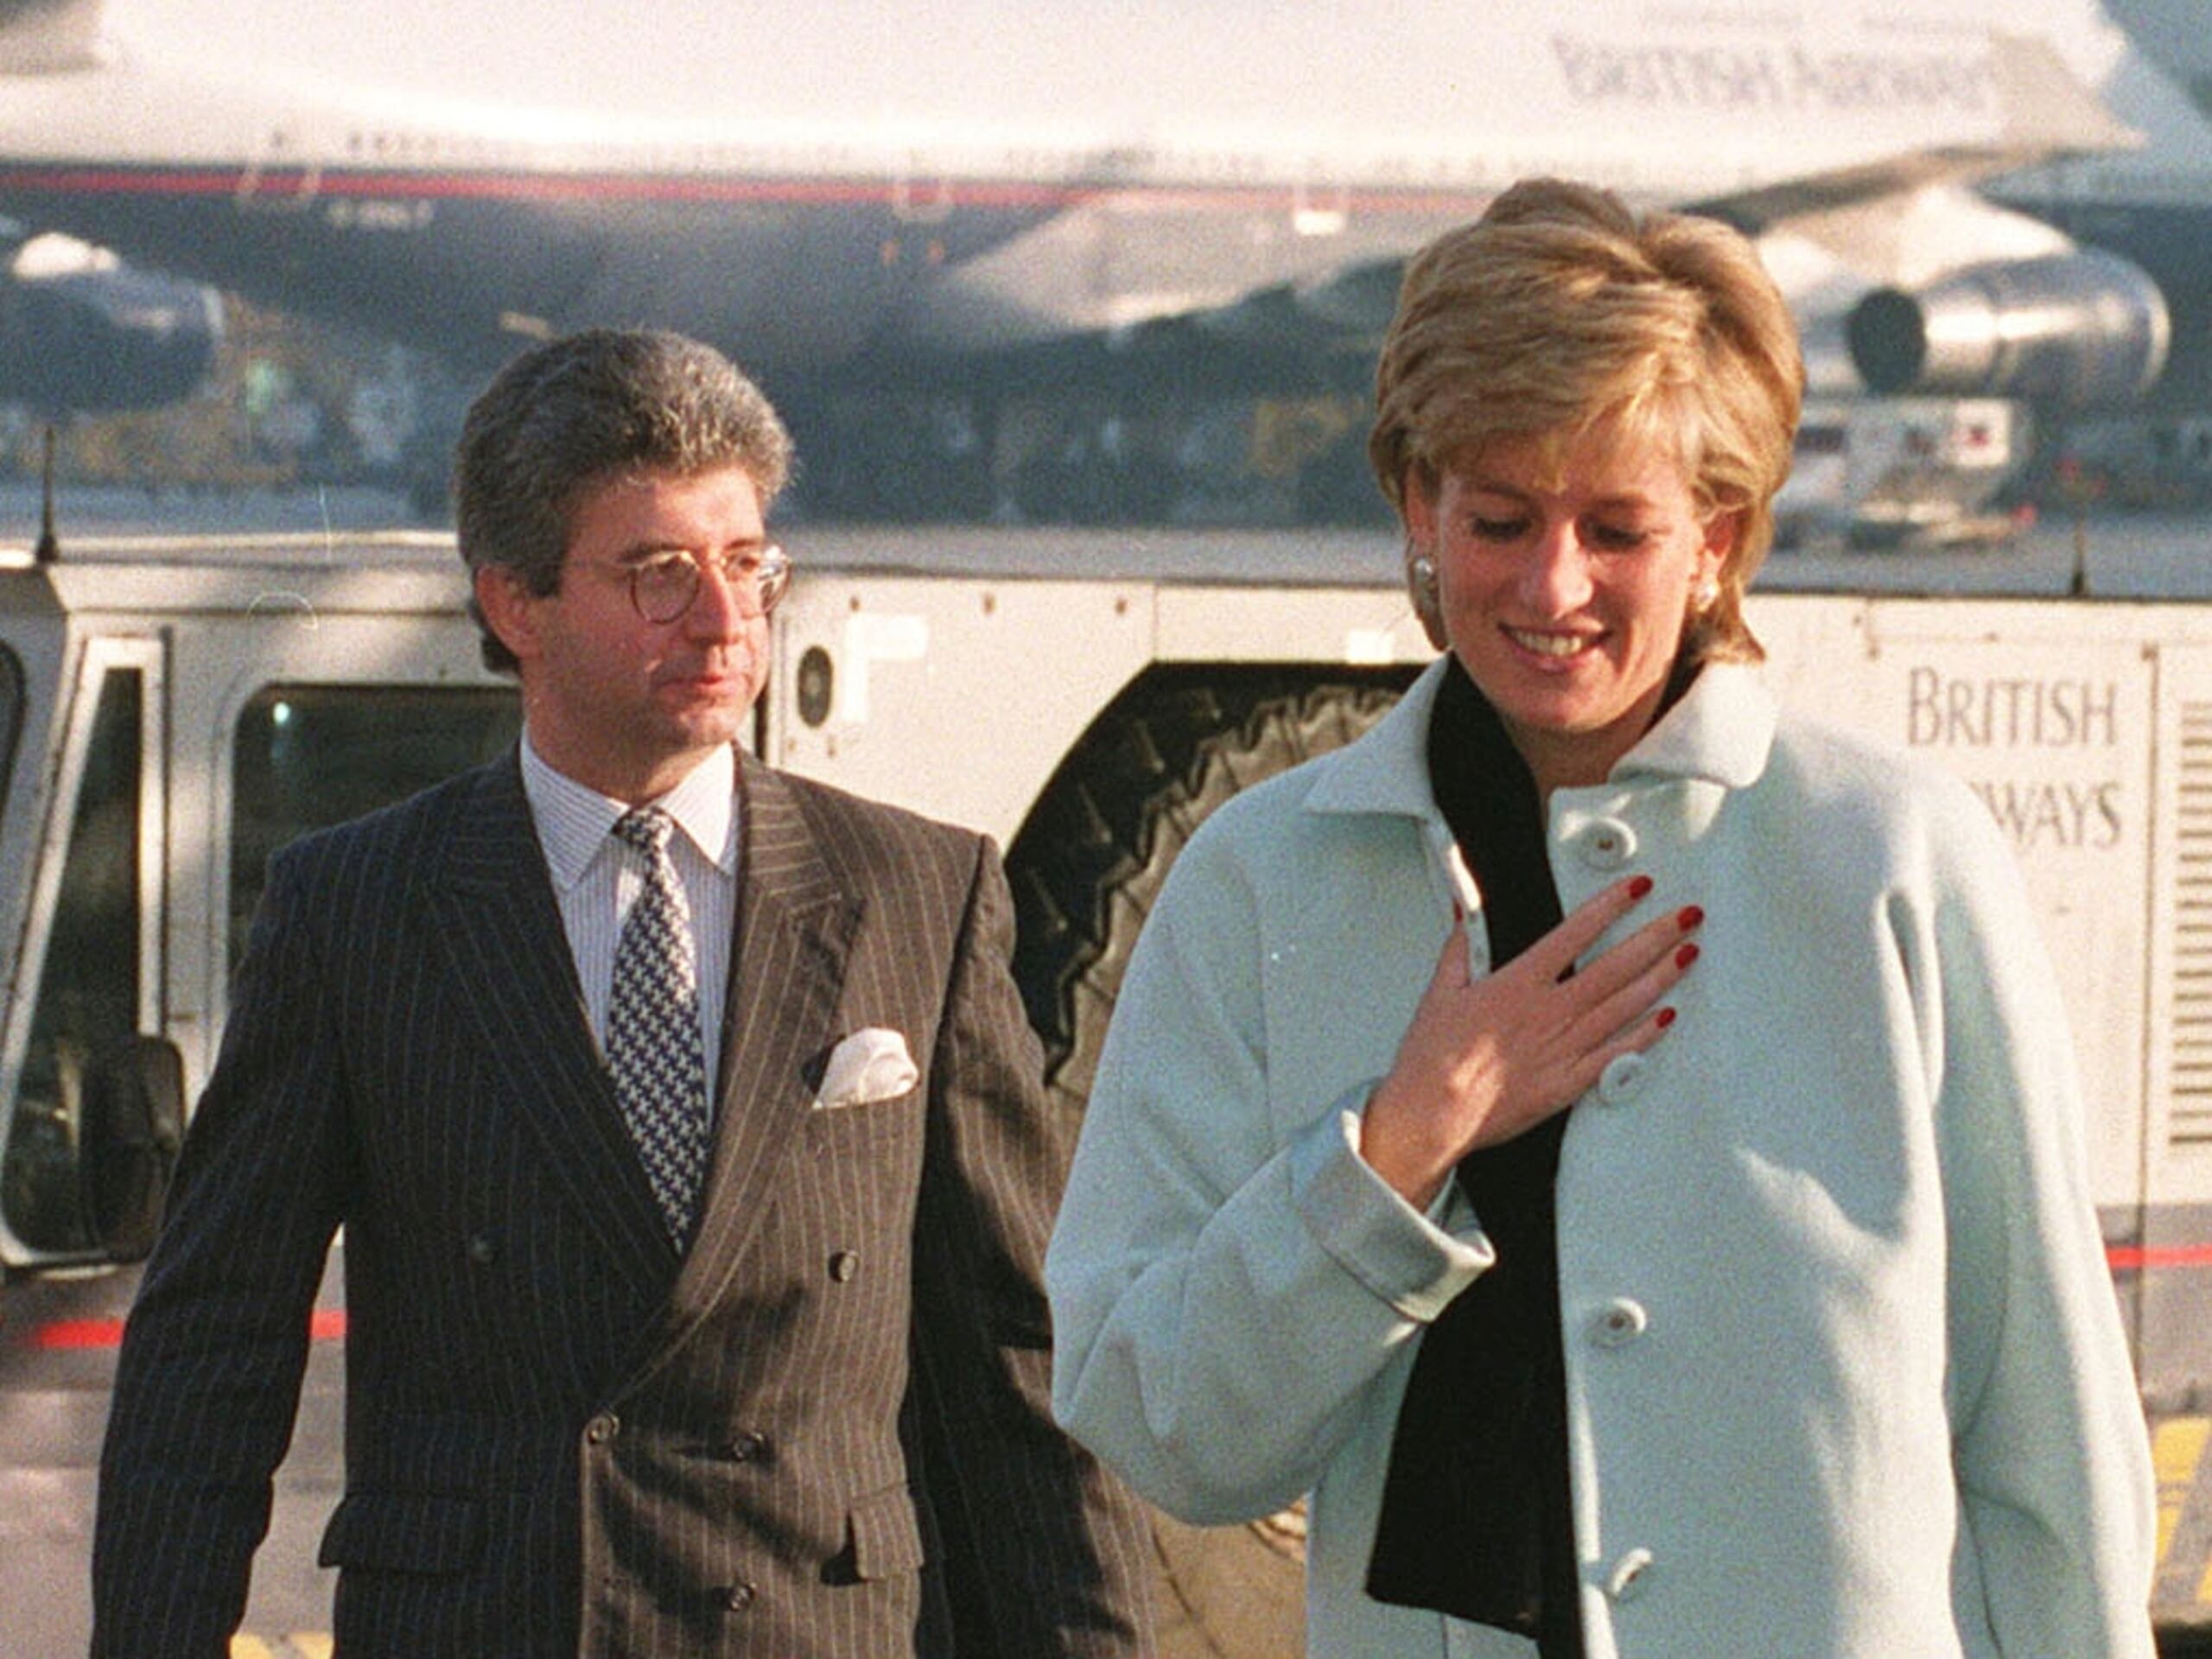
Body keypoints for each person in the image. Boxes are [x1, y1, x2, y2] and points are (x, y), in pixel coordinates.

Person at [1046, 179, 2156, 1657]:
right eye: (1500, 517)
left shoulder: (1893, 858)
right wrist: (1401, 1143)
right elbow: (1160, 1425)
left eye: (1617, 528)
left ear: (1720, 539)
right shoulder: (1258, 883)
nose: (1552, 584)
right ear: (1415, 508)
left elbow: (2047, 1437)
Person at [92, 328, 1154, 1657]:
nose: (723, 618)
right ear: (513, 604)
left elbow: (1017, 1374)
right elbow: (211, 1360)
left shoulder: (917, 896)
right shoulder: (358, 912)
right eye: (660, 575)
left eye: (747, 565)